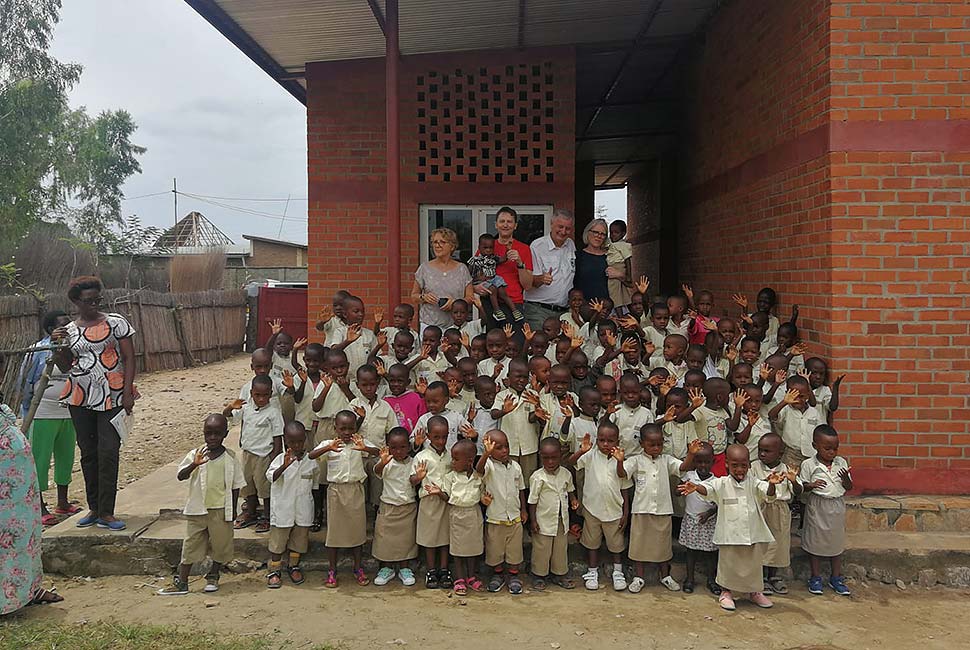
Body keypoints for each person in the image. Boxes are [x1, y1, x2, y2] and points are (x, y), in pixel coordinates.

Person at [52, 276, 136, 531]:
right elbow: (65, 365)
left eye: (97, 300)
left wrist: (128, 391)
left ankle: (108, 512)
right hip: (80, 394)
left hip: (112, 393)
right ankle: (94, 509)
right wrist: (58, 345)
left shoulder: (115, 323)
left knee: (109, 451)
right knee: (88, 452)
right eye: (88, 301)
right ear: (76, 301)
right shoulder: (69, 331)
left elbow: (130, 357)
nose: (94, 305)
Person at [679, 444, 784, 611]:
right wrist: (696, 487)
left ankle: (755, 592)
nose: (740, 469)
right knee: (728, 565)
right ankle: (726, 592)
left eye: (744, 465)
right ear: (726, 464)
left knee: (753, 565)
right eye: (735, 465)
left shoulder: (754, 483)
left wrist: (772, 484)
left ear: (749, 464)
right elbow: (708, 489)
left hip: (752, 533)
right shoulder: (721, 483)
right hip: (729, 534)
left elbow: (768, 494)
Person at [159, 414, 245, 596]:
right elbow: (181, 475)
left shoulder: (230, 458)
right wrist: (194, 465)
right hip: (198, 510)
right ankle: (182, 581)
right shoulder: (196, 454)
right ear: (203, 433)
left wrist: (234, 510)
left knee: (220, 545)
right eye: (208, 433)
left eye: (217, 433)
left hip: (221, 510)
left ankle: (213, 575)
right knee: (191, 545)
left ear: (225, 434)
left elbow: (236, 485)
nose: (212, 437)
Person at [618, 430, 704, 593]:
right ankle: (639, 577)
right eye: (651, 445)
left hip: (663, 510)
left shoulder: (667, 460)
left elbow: (682, 467)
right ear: (642, 444)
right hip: (641, 510)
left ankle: (665, 575)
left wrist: (691, 454)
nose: (656, 448)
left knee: (663, 546)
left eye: (659, 444)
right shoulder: (636, 460)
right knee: (639, 546)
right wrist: (620, 461)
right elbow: (622, 473)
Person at [0, 398, 63, 613]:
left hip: (18, 492)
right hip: (5, 491)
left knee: (25, 534)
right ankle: (7, 599)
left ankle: (29, 589)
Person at [20, 310, 79, 525]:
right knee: (40, 460)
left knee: (66, 457)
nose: (67, 328)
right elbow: (25, 382)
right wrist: (28, 410)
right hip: (43, 412)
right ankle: (40, 506)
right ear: (50, 330)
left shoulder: (74, 349)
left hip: (68, 411)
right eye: (62, 325)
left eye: (69, 324)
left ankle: (62, 502)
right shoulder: (39, 350)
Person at [310, 410, 378, 587]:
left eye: (350, 428)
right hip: (336, 491)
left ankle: (357, 567)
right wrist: (328, 448)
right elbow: (311, 455)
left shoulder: (359, 442)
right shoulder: (329, 443)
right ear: (335, 428)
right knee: (334, 533)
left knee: (357, 531)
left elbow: (377, 451)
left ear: (356, 428)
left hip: (355, 489)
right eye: (343, 428)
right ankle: (332, 569)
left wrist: (365, 448)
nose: (347, 432)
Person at [568, 421, 631, 591]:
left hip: (614, 510)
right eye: (601, 440)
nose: (605, 444)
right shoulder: (591, 455)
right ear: (597, 440)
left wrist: (626, 512)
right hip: (592, 508)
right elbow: (570, 462)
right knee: (592, 542)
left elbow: (624, 484)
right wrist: (582, 450)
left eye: (610, 441)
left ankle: (618, 572)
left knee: (616, 544)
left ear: (617, 441)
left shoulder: (622, 459)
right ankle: (592, 571)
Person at [224, 374, 284, 534]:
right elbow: (227, 416)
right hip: (247, 453)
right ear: (251, 393)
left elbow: (278, 437)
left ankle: (267, 516)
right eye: (258, 395)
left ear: (271, 394)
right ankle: (250, 512)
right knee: (247, 484)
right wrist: (230, 407)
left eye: (265, 395)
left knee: (264, 487)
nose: (262, 399)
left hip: (264, 456)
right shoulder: (246, 408)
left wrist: (275, 457)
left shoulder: (273, 412)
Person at [424, 439, 484, 596]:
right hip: (457, 513)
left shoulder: (477, 476)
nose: (452, 462)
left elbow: (482, 493)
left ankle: (471, 576)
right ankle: (459, 578)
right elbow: (448, 496)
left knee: (472, 548)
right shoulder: (450, 477)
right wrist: (438, 492)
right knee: (457, 549)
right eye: (452, 458)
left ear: (470, 460)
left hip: (473, 513)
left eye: (456, 459)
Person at [800, 424, 853, 596]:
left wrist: (845, 479)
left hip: (836, 505)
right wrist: (811, 485)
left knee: (835, 542)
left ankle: (836, 577)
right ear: (815, 446)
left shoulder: (841, 462)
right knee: (815, 541)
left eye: (835, 448)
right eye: (827, 448)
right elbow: (801, 486)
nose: (832, 452)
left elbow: (849, 487)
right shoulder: (809, 464)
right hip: (818, 505)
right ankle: (815, 577)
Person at [266, 421, 317, 589]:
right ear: (285, 440)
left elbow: (314, 485)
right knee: (278, 541)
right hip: (283, 510)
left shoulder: (310, 460)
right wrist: (284, 466)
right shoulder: (279, 459)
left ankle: (293, 565)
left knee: (299, 540)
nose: (297, 445)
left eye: (300, 441)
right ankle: (274, 570)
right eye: (292, 441)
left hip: (303, 509)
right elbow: (271, 477)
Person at [476, 430, 527, 594]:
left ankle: (513, 575)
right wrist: (486, 454)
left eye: (506, 446)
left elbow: (521, 490)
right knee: (495, 550)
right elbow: (479, 470)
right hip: (495, 518)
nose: (504, 450)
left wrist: (524, 510)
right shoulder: (489, 465)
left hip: (514, 517)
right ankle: (497, 575)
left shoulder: (516, 467)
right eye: (498, 448)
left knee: (514, 550)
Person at [528, 437, 580, 590]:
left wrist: (573, 500)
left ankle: (559, 574)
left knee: (560, 549)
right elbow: (532, 501)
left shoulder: (565, 474)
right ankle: (539, 575)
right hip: (543, 520)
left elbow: (570, 490)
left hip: (561, 519)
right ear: (540, 456)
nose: (550, 462)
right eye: (546, 458)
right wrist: (533, 521)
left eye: (554, 458)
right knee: (541, 549)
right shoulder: (538, 477)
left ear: (560, 455)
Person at [750, 433, 798, 595]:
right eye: (760, 450)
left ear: (780, 453)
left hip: (779, 511)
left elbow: (796, 492)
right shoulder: (754, 467)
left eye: (767, 451)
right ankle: (761, 577)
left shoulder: (785, 469)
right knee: (761, 543)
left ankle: (774, 576)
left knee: (778, 544)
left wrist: (793, 481)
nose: (762, 454)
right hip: (761, 509)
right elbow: (752, 488)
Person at [372, 428, 419, 586]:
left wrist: (419, 477)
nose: (398, 451)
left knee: (406, 540)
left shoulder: (413, 462)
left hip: (407, 506)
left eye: (403, 447)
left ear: (409, 446)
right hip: (389, 506)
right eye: (394, 447)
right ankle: (386, 568)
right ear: (388, 447)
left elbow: (413, 480)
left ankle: (404, 568)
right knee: (385, 539)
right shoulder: (386, 462)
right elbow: (377, 471)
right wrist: (383, 462)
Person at [413, 415, 452, 589]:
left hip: (446, 500)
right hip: (429, 502)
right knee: (430, 538)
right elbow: (412, 480)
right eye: (436, 437)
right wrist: (418, 477)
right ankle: (431, 570)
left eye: (444, 437)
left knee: (445, 537)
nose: (441, 441)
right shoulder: (422, 456)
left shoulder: (451, 455)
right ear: (428, 436)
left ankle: (444, 570)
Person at [523, 209, 576, 330]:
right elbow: (529, 282)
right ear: (551, 224)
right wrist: (541, 278)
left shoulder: (571, 245)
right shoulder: (537, 246)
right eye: (560, 227)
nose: (563, 232)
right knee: (539, 347)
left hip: (563, 312)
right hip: (539, 310)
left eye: (567, 228)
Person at [411, 227, 474, 331]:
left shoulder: (462, 269)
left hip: (456, 326)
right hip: (429, 326)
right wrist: (423, 297)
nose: (437, 245)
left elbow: (470, 297)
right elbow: (414, 296)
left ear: (452, 246)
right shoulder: (424, 268)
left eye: (442, 242)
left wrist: (455, 303)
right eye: (435, 242)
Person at [678, 441, 719, 595]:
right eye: (699, 462)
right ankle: (689, 579)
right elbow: (677, 491)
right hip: (691, 520)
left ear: (713, 462)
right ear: (694, 462)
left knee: (711, 553)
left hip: (709, 522)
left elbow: (719, 503)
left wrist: (709, 514)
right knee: (691, 552)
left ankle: (711, 580)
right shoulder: (689, 476)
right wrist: (681, 486)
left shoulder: (716, 482)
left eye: (706, 462)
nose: (703, 465)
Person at [486, 206, 535, 329]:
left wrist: (519, 262)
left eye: (509, 221)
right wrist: (478, 287)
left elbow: (528, 285)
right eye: (502, 221)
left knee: (514, 345)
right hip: (491, 302)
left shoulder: (524, 249)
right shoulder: (487, 246)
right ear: (496, 224)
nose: (505, 225)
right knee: (492, 346)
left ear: (515, 225)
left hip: (514, 303)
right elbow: (476, 274)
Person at [467, 233, 524, 323]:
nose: (488, 250)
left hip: (493, 279)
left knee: (502, 291)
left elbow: (503, 259)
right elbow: (468, 274)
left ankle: (515, 311)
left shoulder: (493, 258)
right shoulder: (475, 260)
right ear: (479, 247)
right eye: (485, 248)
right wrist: (475, 280)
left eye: (491, 248)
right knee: (492, 289)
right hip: (482, 282)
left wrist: (507, 250)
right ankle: (497, 310)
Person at [573, 218, 610, 303]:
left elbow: (628, 281)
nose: (599, 236)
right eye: (595, 232)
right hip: (583, 307)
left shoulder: (610, 257)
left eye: (603, 234)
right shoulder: (577, 256)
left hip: (605, 308)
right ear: (587, 232)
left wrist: (620, 275)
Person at [605, 220, 633, 309]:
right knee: (623, 293)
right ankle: (629, 311)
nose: (613, 235)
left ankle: (620, 315)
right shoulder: (612, 244)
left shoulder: (623, 245)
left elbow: (627, 260)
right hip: (614, 267)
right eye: (611, 232)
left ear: (623, 233)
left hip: (617, 267)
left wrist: (629, 275)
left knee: (614, 292)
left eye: (616, 232)